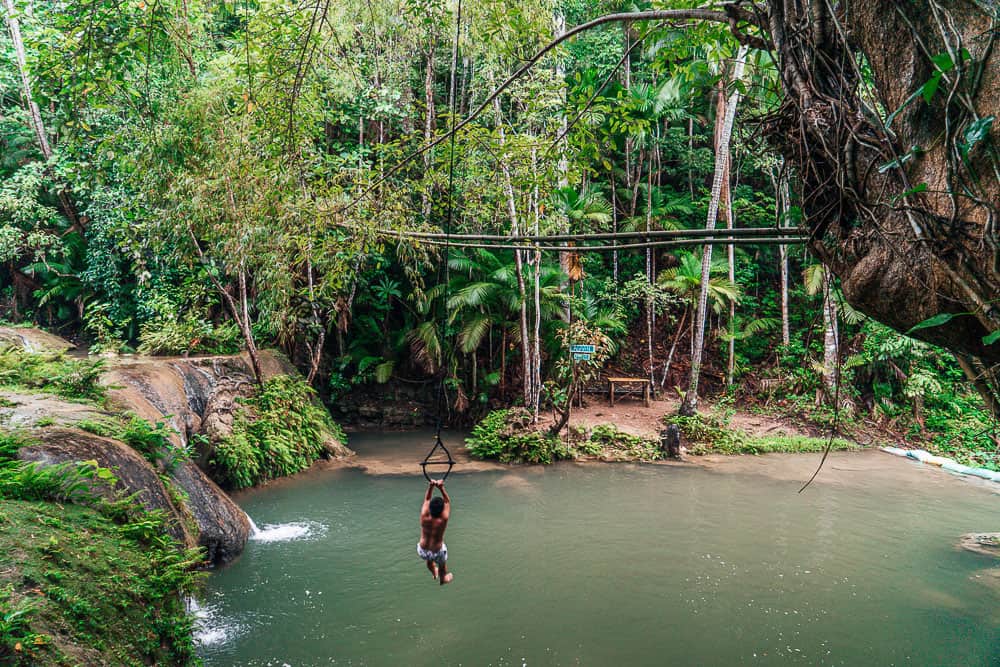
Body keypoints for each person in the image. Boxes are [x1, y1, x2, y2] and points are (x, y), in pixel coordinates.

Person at [417, 479, 453, 585]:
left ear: (430, 508)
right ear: (441, 510)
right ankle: (443, 578)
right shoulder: (443, 519)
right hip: (437, 552)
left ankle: (434, 573)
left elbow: (427, 498)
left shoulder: (424, 515)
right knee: (442, 566)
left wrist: (431, 486)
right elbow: (447, 501)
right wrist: (441, 488)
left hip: (422, 550)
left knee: (429, 560)